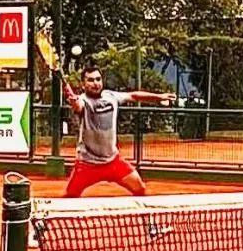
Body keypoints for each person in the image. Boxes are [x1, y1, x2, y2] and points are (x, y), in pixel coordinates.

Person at [62, 64, 175, 197]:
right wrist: (73, 101)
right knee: (70, 198)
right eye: (91, 80)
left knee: (140, 189)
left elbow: (134, 96)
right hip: (87, 164)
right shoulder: (83, 100)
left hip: (113, 161)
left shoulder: (111, 96)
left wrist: (159, 97)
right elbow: (78, 106)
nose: (96, 83)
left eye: (98, 79)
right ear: (83, 84)